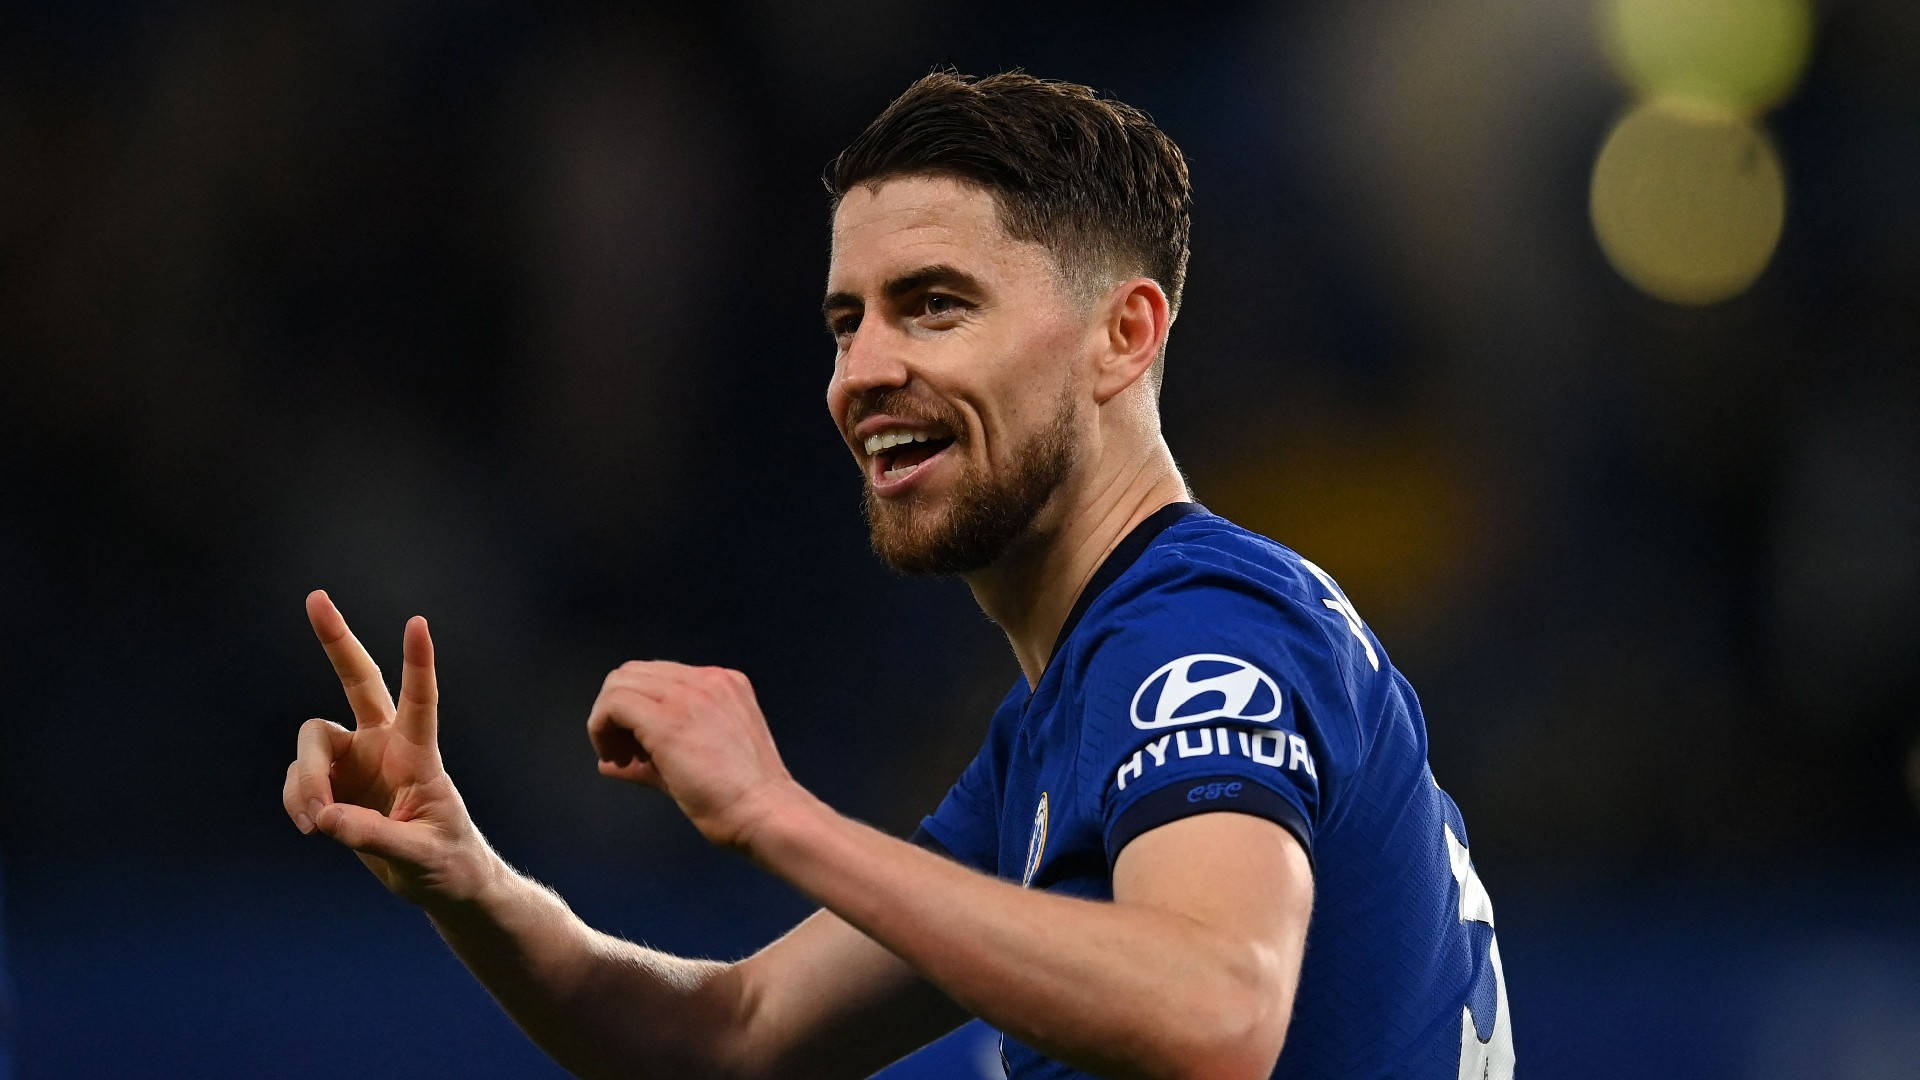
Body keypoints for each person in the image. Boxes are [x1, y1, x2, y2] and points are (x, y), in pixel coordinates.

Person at [282, 70, 1513, 1079]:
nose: (861, 372)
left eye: (934, 306)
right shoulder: (1061, 723)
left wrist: (781, 815)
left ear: (1123, 335)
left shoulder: (1196, 636)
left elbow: (1216, 1012)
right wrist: (469, 882)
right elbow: (730, 1036)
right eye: (846, 321)